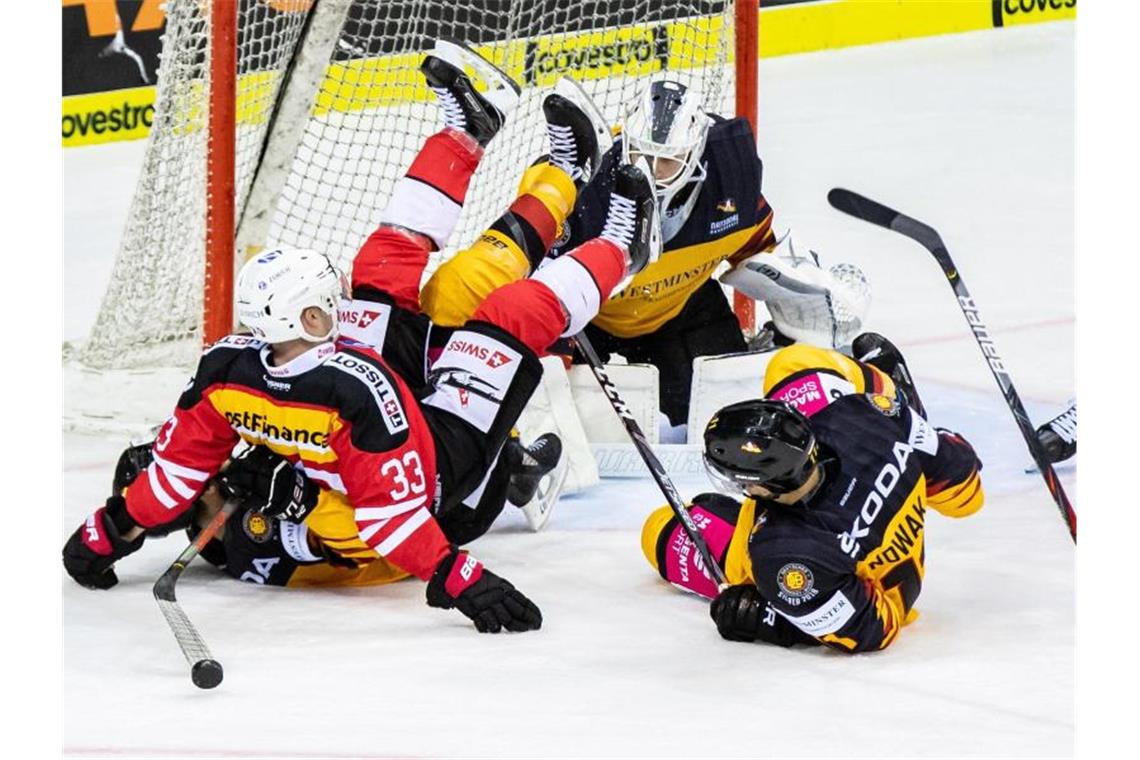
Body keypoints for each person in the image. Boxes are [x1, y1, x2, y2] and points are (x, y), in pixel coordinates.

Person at [62, 38, 660, 634]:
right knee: (512, 310)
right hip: (442, 481)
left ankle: (514, 151)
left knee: (394, 266)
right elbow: (376, 538)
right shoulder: (247, 548)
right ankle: (622, 247)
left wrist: (109, 530)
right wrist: (452, 575)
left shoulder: (228, 380)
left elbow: (172, 477)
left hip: (378, 417)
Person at [551, 78, 870, 427]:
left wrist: (804, 303)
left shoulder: (727, 178)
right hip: (590, 322)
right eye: (641, 154)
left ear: (696, 152)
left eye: (668, 161)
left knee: (728, 419)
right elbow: (549, 292)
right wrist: (555, 368)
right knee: (579, 428)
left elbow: (758, 253)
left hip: (683, 311)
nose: (651, 172)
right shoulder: (588, 193)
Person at [639, 333, 984, 652]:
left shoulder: (783, 554)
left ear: (760, 486)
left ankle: (912, 436)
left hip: (880, 592)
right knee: (792, 362)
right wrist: (911, 435)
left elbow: (871, 628)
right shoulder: (860, 411)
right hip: (880, 440)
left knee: (659, 530)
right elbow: (968, 489)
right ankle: (906, 413)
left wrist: (770, 619)